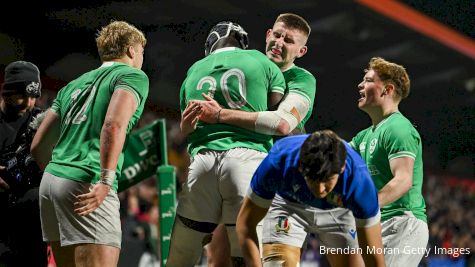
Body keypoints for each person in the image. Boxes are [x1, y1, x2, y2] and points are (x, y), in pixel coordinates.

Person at [197, 13, 316, 266]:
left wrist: (220, 114)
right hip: (242, 175)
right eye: (277, 35)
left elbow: (283, 124)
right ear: (267, 35)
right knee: (217, 257)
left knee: (268, 261)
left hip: (283, 185)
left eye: (289, 41)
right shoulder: (246, 65)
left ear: (301, 51)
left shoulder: (302, 79)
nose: (279, 43)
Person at [166, 21, 286, 266]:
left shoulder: (194, 70)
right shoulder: (260, 60)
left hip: (202, 162)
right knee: (248, 257)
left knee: (181, 257)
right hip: (247, 159)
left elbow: (186, 125)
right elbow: (275, 107)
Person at [31, 20, 149, 267]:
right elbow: (113, 125)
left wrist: (59, 176)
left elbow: (39, 144)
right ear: (130, 50)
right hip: (88, 181)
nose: (141, 57)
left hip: (51, 182)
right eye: (141, 51)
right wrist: (106, 180)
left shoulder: (72, 85)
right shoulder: (132, 75)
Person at [237, 130, 385, 267]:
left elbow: (373, 255)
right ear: (300, 167)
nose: (320, 189)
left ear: (342, 168)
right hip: (288, 206)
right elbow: (245, 224)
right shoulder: (278, 163)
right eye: (313, 179)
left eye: (327, 179)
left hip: (339, 212)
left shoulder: (359, 183)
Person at [350, 57, 428, 266]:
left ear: (387, 89)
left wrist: (364, 207)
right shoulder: (363, 137)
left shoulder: (398, 128)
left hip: (402, 223)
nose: (360, 85)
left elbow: (403, 181)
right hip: (376, 224)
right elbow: (332, 155)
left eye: (368, 80)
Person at [0, 61, 47, 266]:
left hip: (29, 219)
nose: (29, 103)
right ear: (6, 92)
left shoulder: (40, 120)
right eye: (22, 95)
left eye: (33, 97)